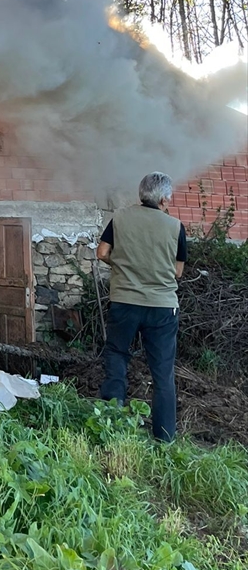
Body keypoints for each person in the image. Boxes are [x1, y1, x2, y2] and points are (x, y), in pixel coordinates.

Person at [96, 171, 187, 442]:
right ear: (164, 199)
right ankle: (164, 437)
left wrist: (123, 267)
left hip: (124, 300)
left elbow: (102, 252)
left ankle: (112, 424)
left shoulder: (121, 218)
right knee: (162, 372)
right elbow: (178, 272)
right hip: (161, 306)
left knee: (116, 355)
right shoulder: (175, 227)